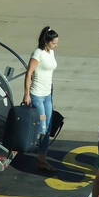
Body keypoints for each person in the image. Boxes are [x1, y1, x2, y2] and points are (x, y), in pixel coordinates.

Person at [23, 26, 58, 172]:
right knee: (42, 126)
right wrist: (26, 94)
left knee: (48, 127)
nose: (56, 45)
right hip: (36, 95)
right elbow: (29, 73)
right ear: (47, 41)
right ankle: (28, 148)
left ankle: (41, 159)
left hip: (47, 96)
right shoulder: (38, 53)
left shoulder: (51, 52)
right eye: (54, 42)